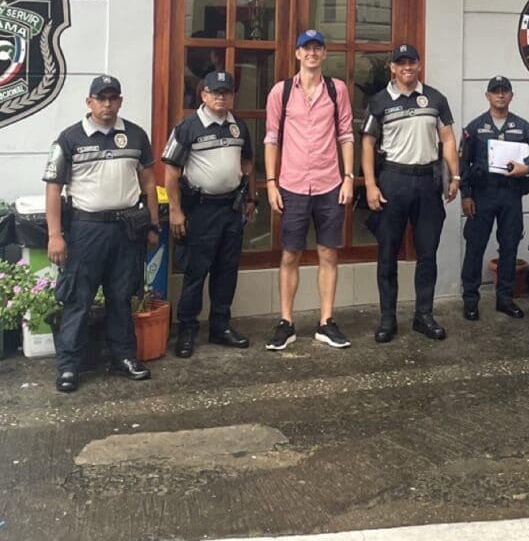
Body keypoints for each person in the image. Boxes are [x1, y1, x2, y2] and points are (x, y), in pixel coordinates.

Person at [43, 75, 160, 394]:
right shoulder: (69, 138)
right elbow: (54, 188)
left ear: (120, 101)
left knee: (121, 297)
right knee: (78, 298)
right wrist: (55, 234)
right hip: (86, 229)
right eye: (101, 98)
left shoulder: (136, 135)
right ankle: (68, 365)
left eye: (113, 98)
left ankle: (124, 357)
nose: (107, 104)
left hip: (126, 229)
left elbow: (149, 182)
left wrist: (152, 224)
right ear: (89, 102)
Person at [361, 43, 460, 343]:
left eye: (411, 62)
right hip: (393, 179)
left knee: (427, 253)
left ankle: (424, 316)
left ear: (419, 64)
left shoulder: (435, 98)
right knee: (387, 253)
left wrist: (455, 175)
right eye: (400, 62)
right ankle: (388, 318)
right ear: (392, 67)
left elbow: (448, 138)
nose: (407, 67)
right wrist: (369, 184)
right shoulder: (379, 101)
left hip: (427, 181)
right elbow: (367, 143)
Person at [263, 29, 355, 350]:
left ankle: (326, 322)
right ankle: (286, 322)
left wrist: (348, 177)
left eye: (318, 48)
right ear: (298, 53)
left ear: (325, 54)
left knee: (328, 253)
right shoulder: (281, 91)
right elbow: (271, 138)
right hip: (292, 184)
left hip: (330, 184)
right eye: (307, 48)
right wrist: (271, 183)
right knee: (290, 254)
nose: (312, 53)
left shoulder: (337, 89)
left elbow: (345, 134)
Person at [162, 70, 257, 358]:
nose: (220, 97)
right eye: (215, 92)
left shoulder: (238, 126)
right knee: (195, 272)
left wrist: (251, 198)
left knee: (226, 271)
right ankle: (187, 330)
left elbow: (248, 162)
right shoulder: (187, 127)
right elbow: (171, 173)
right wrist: (176, 211)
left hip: (230, 209)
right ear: (203, 95)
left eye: (226, 92)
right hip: (200, 210)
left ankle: (220, 326)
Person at [459, 75, 529, 320]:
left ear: (511, 95)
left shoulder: (522, 126)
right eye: (495, 91)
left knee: (509, 247)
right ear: (487, 96)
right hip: (482, 194)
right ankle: (470, 300)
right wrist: (466, 195)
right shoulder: (475, 128)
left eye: (504, 91)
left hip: (510, 195)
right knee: (475, 248)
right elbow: (462, 162)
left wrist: (527, 167)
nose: (500, 95)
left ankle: (505, 299)